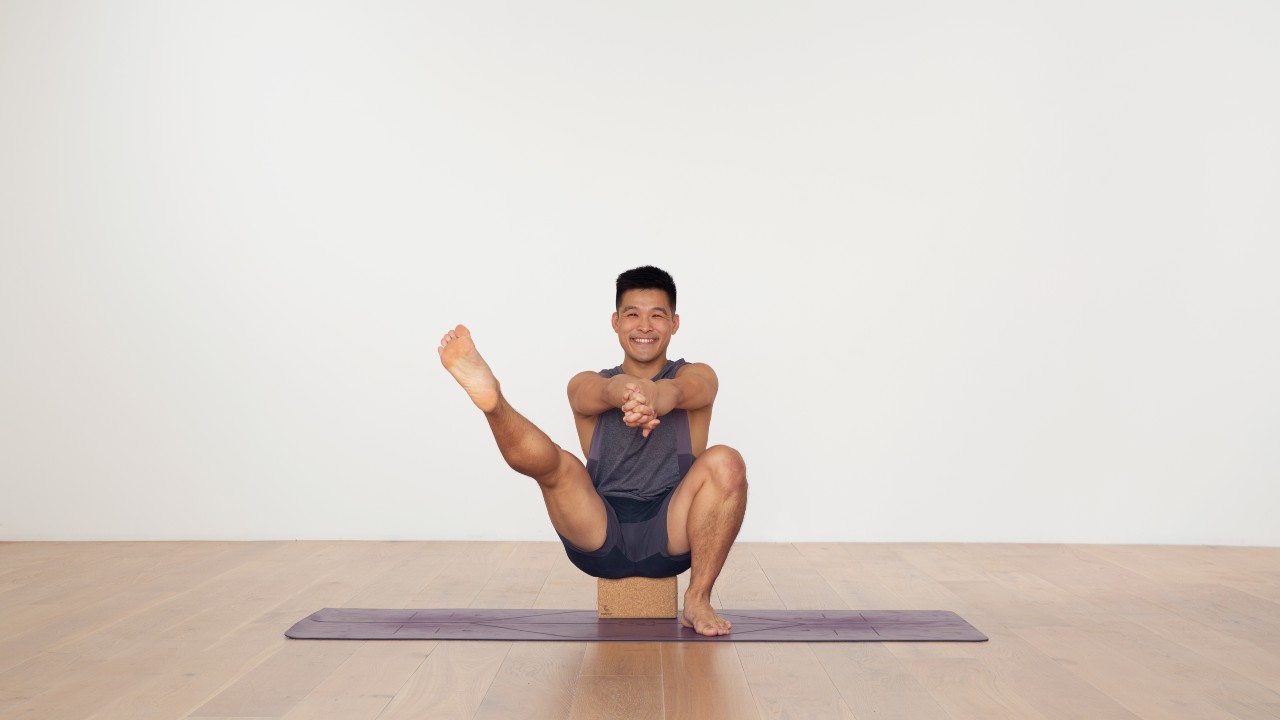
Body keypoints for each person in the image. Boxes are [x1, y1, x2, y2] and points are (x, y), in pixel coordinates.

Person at [437, 265, 748, 636]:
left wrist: (655, 396)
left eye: (657, 316)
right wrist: (624, 391)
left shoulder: (697, 374)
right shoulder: (586, 383)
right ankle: (494, 404)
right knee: (560, 466)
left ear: (675, 323)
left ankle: (698, 599)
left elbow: (685, 391)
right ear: (615, 322)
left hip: (673, 532)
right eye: (633, 314)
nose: (644, 326)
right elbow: (597, 394)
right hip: (599, 530)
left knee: (727, 460)